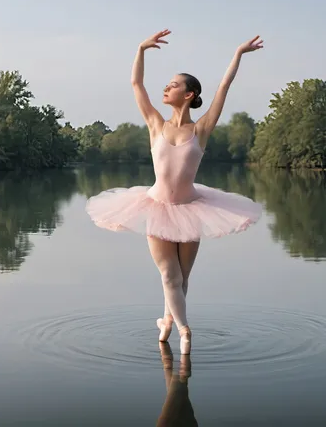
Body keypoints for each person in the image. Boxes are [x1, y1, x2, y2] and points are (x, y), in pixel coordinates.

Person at [86, 29, 263, 355]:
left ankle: (166, 322)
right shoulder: (155, 123)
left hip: (192, 209)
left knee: (181, 280)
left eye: (174, 84)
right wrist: (140, 48)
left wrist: (238, 53)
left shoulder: (202, 128)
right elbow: (136, 86)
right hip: (155, 206)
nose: (166, 87)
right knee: (169, 276)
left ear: (189, 94)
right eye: (166, 83)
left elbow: (224, 87)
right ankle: (184, 330)